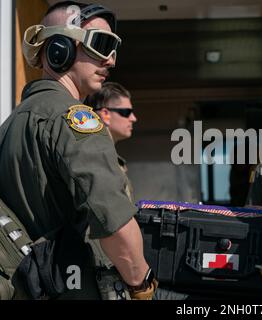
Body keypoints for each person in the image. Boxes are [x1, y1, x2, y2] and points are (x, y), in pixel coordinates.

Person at [0, 1, 156, 300]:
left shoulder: (11, 124)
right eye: (101, 44)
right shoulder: (77, 120)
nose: (111, 60)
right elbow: (115, 224)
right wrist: (142, 286)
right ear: (59, 49)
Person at [85, 82, 137, 201]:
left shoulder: (106, 156)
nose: (133, 118)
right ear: (105, 114)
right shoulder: (96, 157)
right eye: (126, 112)